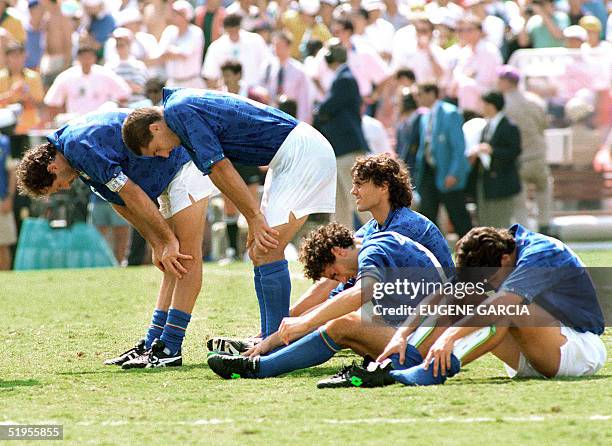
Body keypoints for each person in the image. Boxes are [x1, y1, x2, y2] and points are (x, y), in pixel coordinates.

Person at [121, 87, 336, 340]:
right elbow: (218, 173)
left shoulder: (179, 111)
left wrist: (254, 217)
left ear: (155, 128)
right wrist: (252, 216)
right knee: (260, 250)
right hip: (289, 155)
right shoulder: (179, 108)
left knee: (267, 248)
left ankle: (275, 340)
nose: (164, 155)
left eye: (157, 149)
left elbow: (220, 167)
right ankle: (270, 336)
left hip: (301, 153)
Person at [15, 110, 218, 368]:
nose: (64, 188)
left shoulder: (79, 147)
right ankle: (154, 341)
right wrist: (157, 243)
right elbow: (119, 201)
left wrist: (166, 240)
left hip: (184, 165)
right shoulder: (74, 155)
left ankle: (171, 347)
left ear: (53, 167)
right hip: (169, 174)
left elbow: (131, 192)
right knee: (173, 262)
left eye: (57, 186)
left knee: (185, 256)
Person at [208, 154, 454, 355]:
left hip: (432, 321)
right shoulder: (372, 228)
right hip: (405, 310)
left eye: (360, 184)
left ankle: (269, 346)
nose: (353, 191)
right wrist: (291, 319)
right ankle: (270, 337)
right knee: (333, 290)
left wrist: (305, 321)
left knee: (338, 315)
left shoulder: (406, 227)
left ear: (383, 187)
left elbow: (355, 294)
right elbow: (336, 286)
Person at [206, 221, 447, 382]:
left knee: (346, 323)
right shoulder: (374, 245)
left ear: (338, 252)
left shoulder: (373, 250)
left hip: (431, 342)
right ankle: (261, 358)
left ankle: (259, 368)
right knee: (344, 321)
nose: (340, 279)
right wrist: (272, 340)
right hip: (421, 334)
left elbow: (359, 294)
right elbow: (336, 304)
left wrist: (305, 322)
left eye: (334, 274)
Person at [376, 225, 607, 386]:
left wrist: (450, 336)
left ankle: (433, 370)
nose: (488, 286)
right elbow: (444, 293)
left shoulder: (542, 252)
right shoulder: (500, 250)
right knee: (464, 295)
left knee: (505, 307)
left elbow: (503, 304)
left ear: (505, 259)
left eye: (490, 280)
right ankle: (404, 361)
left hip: (577, 348)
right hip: (533, 351)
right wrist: (402, 335)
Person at [313, 39, 368, 229]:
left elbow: (326, 107)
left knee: (358, 201)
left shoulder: (344, 78)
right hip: (339, 150)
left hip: (346, 148)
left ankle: (383, 239)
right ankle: (341, 246)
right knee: (339, 205)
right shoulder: (343, 77)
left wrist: (318, 111)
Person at [497, 65, 552, 234]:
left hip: (519, 158)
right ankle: (545, 225)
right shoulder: (535, 100)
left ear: (506, 82)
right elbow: (544, 124)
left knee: (519, 200)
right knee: (544, 190)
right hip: (538, 154)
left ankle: (525, 233)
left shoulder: (503, 104)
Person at [414, 82, 472, 237]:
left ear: (431, 93)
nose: (417, 98)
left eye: (420, 94)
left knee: (459, 217)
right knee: (427, 217)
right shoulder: (425, 117)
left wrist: (454, 173)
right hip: (429, 173)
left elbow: (458, 147)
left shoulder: (450, 113)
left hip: (446, 173)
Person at [466, 91, 521, 228]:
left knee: (500, 222)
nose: (481, 107)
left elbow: (514, 151)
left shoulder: (509, 126)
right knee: (485, 221)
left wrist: (492, 151)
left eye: (483, 104)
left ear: (491, 105)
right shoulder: (487, 126)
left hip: (502, 182)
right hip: (485, 181)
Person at [43, 45, 131, 119]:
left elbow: (124, 94)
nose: (87, 61)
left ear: (95, 58)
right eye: (84, 57)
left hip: (100, 121)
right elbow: (52, 102)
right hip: (75, 122)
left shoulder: (106, 74)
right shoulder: (66, 76)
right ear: (78, 58)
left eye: (89, 57)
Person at [0, 126, 16, 270]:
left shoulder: (3, 142)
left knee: (3, 244)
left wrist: (9, 198)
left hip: (1, 200)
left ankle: (5, 279)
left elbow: (12, 171)